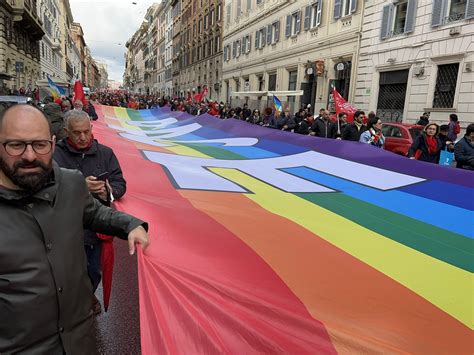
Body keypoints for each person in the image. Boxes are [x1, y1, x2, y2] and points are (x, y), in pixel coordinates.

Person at [0, 104, 149, 354]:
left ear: (52, 143)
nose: (29, 155)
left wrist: (131, 225)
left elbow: (96, 212)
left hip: (78, 343)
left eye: (39, 144)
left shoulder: (70, 182)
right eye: (16, 145)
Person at [54, 109, 127, 314]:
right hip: (64, 226)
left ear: (91, 128)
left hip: (95, 229)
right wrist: (77, 185)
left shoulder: (106, 153)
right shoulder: (55, 154)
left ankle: (87, 295)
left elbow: (120, 183)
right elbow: (45, 184)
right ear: (67, 131)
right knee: (66, 273)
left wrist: (108, 190)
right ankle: (76, 306)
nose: (83, 137)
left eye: (86, 131)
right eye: (77, 133)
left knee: (94, 271)